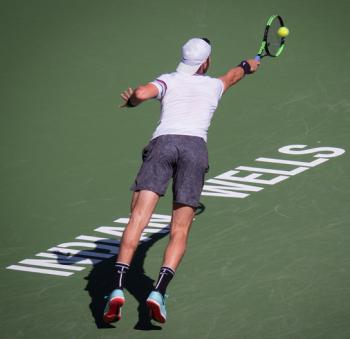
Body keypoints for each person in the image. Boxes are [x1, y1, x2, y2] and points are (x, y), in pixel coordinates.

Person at [103, 37, 260, 324]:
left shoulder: (168, 80)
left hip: (163, 146)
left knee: (138, 217)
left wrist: (133, 101)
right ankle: (158, 292)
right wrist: (251, 64)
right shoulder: (215, 85)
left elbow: (140, 92)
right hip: (194, 151)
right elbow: (236, 73)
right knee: (180, 228)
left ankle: (116, 287)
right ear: (206, 62)